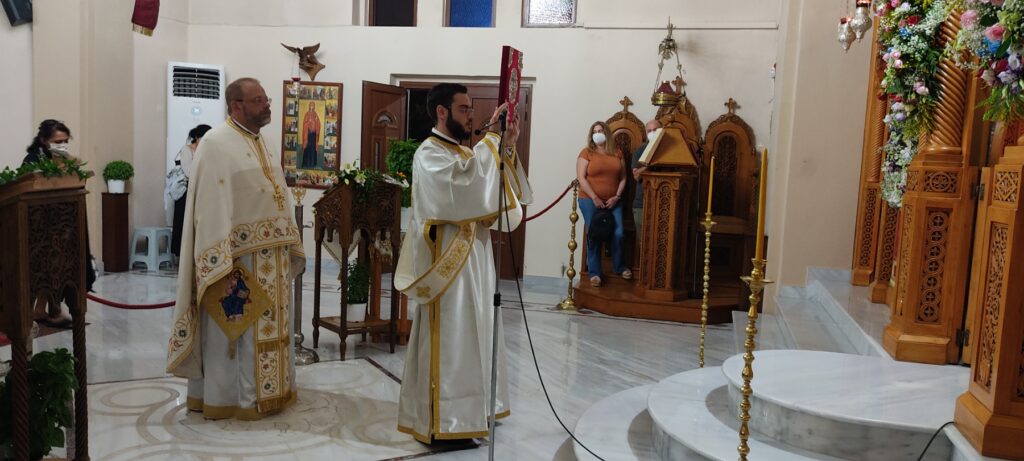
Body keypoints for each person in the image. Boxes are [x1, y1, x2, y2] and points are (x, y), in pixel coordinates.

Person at [394, 83, 533, 443]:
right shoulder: (429, 154)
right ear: (441, 111)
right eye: (464, 109)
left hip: (476, 264)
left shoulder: (464, 152)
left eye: (471, 109)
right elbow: (462, 188)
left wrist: (507, 146)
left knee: (478, 333)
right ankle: (446, 423)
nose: (471, 116)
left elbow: (490, 188)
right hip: (448, 269)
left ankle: (476, 409)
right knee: (453, 339)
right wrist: (492, 142)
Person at [166, 77, 304, 421]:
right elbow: (209, 206)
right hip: (237, 261)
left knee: (271, 328)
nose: (267, 105)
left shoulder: (263, 141)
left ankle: (275, 391)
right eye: (258, 100)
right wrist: (220, 257)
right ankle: (232, 399)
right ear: (236, 106)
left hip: (273, 258)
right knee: (236, 330)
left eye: (266, 99)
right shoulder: (215, 143)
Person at [23, 119, 95, 328]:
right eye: (57, 141)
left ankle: (45, 310)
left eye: (65, 141)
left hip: (61, 225)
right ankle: (46, 311)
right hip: (39, 226)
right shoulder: (32, 160)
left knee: (58, 267)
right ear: (43, 140)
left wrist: (69, 165)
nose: (62, 145)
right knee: (45, 268)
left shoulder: (65, 160)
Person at [576, 120, 630, 287]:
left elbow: (623, 178)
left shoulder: (617, 152)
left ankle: (619, 267)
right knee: (594, 234)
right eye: (594, 131)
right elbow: (581, 178)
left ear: (607, 133)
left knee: (619, 233)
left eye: (600, 131)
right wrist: (595, 198)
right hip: (589, 199)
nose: (597, 134)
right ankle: (594, 273)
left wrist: (617, 196)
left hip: (613, 201)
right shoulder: (587, 152)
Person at [169, 124, 212, 257]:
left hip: (199, 189)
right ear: (197, 137)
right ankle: (182, 255)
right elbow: (188, 172)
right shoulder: (186, 150)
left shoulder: (205, 151)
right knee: (183, 221)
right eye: (204, 138)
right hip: (186, 191)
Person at [631, 119, 661, 238]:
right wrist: (648, 165)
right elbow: (636, 176)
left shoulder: (669, 150)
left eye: (655, 130)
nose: (652, 133)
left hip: (663, 203)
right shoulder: (640, 151)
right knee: (644, 241)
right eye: (649, 131)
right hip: (642, 203)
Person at [301, 102, 320, 168]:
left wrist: (316, 121)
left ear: (314, 107)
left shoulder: (315, 114)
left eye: (313, 107)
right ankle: (306, 164)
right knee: (307, 149)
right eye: (310, 107)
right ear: (309, 107)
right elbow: (304, 124)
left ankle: (313, 164)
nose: (311, 108)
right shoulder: (307, 114)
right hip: (308, 135)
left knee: (313, 150)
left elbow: (318, 124)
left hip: (313, 135)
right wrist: (308, 122)